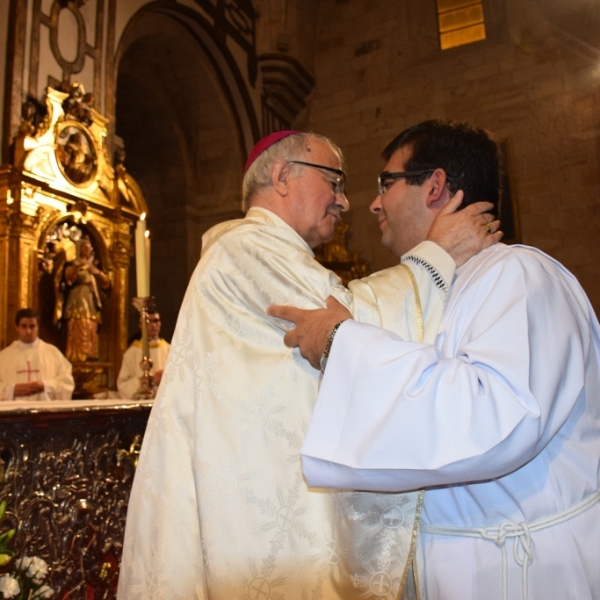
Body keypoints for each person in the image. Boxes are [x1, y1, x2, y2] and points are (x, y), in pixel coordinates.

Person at [118, 130, 499, 599]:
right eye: (334, 183)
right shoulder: (248, 248)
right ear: (282, 176)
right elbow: (350, 325)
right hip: (259, 524)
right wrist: (436, 255)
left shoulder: (255, 252)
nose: (345, 203)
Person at [269, 119, 600, 600]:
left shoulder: (519, 274)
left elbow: (493, 415)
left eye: (387, 184)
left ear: (435, 186)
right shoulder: (444, 292)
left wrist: (342, 342)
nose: (374, 203)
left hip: (525, 574)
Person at [0, 308, 74, 402]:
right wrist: (11, 390)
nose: (28, 331)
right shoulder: (4, 356)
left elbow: (67, 383)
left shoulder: (53, 353)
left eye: (32, 326)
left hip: (45, 412)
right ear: (16, 327)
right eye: (24, 326)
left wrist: (44, 386)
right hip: (14, 413)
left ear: (38, 327)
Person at [62, 237, 110, 362]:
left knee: (91, 324)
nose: (87, 251)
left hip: (91, 298)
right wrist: (77, 268)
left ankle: (90, 353)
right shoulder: (74, 264)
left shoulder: (92, 267)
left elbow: (106, 282)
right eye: (85, 248)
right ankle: (76, 355)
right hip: (78, 296)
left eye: (89, 248)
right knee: (78, 323)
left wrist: (96, 272)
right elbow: (68, 279)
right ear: (80, 249)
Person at [117, 309, 170, 398]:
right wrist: (149, 381)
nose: (153, 325)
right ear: (140, 325)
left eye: (156, 321)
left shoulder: (170, 350)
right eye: (148, 321)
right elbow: (122, 385)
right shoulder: (131, 353)